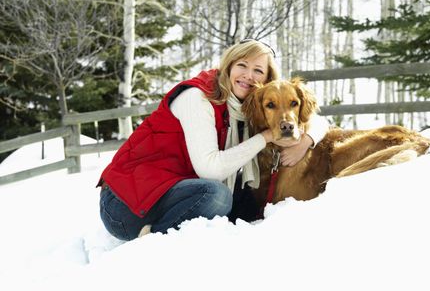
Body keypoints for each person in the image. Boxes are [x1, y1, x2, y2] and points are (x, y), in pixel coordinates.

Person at [98, 39, 329, 241]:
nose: (249, 75)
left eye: (258, 70)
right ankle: (152, 241)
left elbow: (319, 120)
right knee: (217, 196)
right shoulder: (197, 97)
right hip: (124, 205)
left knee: (249, 203)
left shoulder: (249, 105)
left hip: (172, 190)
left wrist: (306, 140)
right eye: (242, 65)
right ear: (228, 67)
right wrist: (266, 136)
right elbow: (210, 169)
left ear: (267, 80)